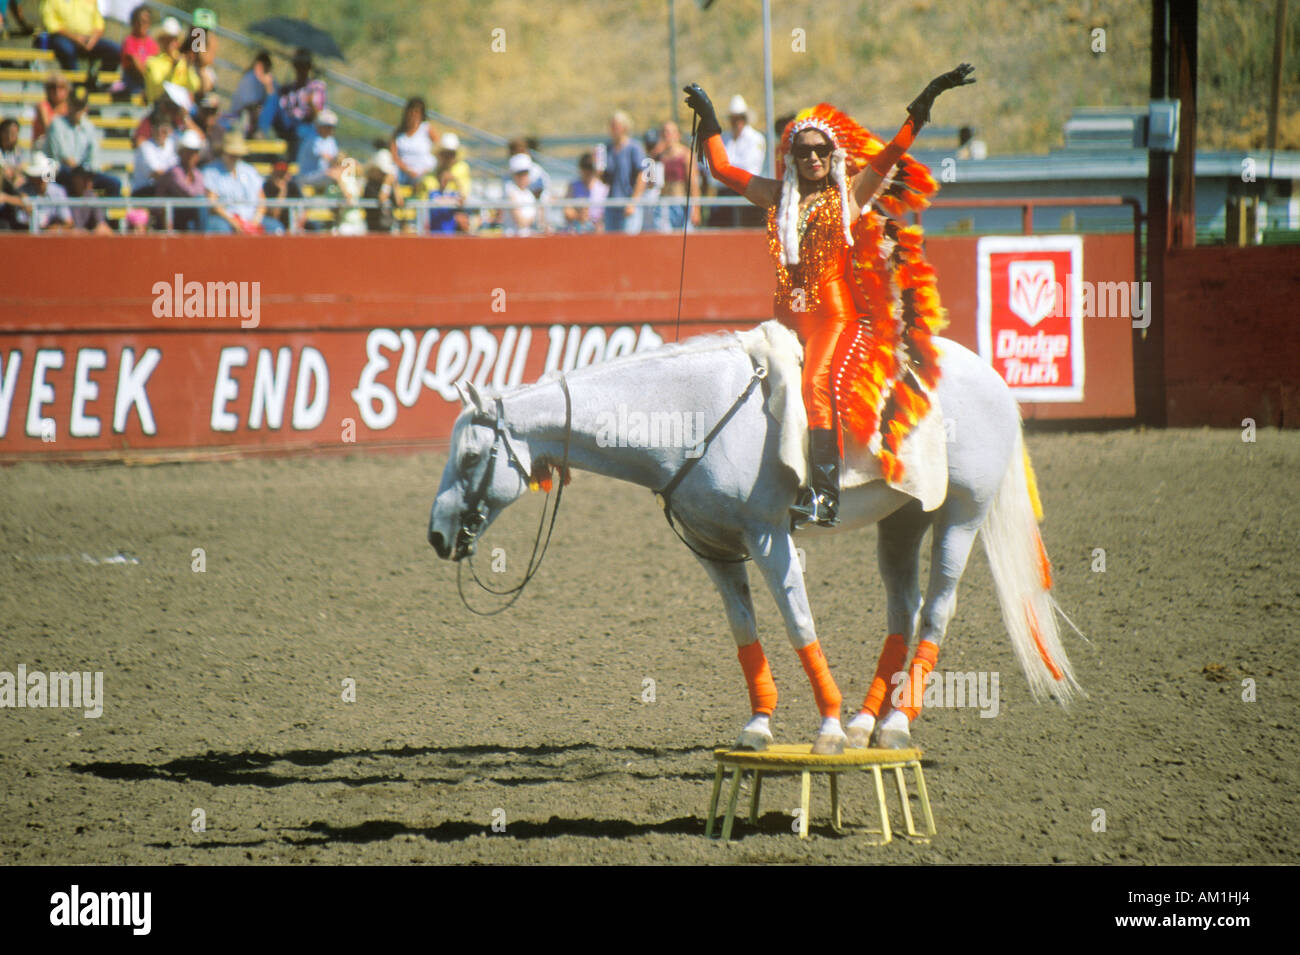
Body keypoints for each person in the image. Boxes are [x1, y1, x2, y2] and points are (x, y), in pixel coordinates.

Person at [684, 63, 975, 527]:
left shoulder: (850, 196)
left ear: (832, 155)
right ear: (792, 157)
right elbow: (721, 168)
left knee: (816, 386)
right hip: (783, 319)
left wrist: (923, 104)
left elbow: (894, 151)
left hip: (833, 318)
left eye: (820, 150)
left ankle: (824, 493)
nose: (813, 158)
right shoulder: (777, 196)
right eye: (804, 151)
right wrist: (710, 119)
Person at [202, 131, 283, 234]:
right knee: (221, 229)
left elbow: (261, 200)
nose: (235, 157)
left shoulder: (250, 171)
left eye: (237, 155)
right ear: (224, 152)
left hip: (251, 217)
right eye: (232, 154)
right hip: (225, 218)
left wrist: (255, 221)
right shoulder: (211, 171)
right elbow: (213, 203)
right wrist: (233, 221)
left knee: (276, 228)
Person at [47, 88, 121, 196]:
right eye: (74, 106)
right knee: (65, 178)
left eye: (79, 107)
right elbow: (63, 156)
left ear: (86, 108)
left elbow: (94, 155)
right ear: (68, 105)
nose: (76, 111)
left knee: (114, 183)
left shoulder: (89, 126)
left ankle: (102, 212)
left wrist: (89, 174)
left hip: (83, 173)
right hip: (60, 171)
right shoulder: (57, 124)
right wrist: (81, 175)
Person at [707, 94, 765, 228]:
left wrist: (724, 168)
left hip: (746, 192)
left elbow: (749, 167)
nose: (737, 122)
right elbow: (713, 166)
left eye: (740, 118)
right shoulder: (724, 138)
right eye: (734, 119)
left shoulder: (755, 139)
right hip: (724, 193)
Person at [41, 0, 120, 73]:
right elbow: (52, 25)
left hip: (89, 39)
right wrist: (76, 38)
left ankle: (100, 82)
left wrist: (92, 40)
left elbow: (99, 23)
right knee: (67, 50)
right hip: (63, 37)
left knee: (116, 50)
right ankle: (76, 84)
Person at [273, 48, 327, 156]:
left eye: (304, 66)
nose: (301, 69)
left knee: (303, 131)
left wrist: (311, 103)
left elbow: (318, 115)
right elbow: (282, 107)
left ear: (309, 67)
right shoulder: (288, 88)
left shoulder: (316, 87)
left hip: (305, 125)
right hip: (287, 124)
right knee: (272, 101)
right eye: (298, 65)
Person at [153, 127, 205, 230]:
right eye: (188, 152)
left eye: (194, 152)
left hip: (188, 217)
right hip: (172, 218)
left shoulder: (197, 174)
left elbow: (198, 194)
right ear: (181, 153)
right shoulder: (174, 173)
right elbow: (189, 193)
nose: (191, 156)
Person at [602, 110, 644, 234]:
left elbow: (642, 175)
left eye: (615, 125)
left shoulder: (634, 148)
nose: (612, 129)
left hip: (628, 202)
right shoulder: (608, 148)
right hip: (612, 203)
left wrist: (633, 202)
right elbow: (605, 179)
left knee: (628, 243)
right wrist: (598, 170)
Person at [143, 17, 199, 104]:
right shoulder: (152, 61)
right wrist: (173, 68)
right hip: (159, 106)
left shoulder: (183, 61)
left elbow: (194, 86)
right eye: (168, 39)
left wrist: (188, 67)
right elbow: (157, 85)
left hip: (179, 107)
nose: (171, 42)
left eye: (174, 39)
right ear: (162, 40)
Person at [658, 120, 699, 231]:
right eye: (665, 132)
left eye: (671, 132)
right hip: (665, 203)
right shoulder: (660, 155)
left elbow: (693, 183)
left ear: (678, 135)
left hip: (682, 202)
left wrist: (696, 209)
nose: (668, 135)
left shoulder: (686, 154)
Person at [224, 50, 275, 138]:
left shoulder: (264, 81)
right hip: (239, 116)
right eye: (266, 70)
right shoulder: (250, 78)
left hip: (252, 119)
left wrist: (269, 88)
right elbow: (249, 107)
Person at [391, 97, 436, 186]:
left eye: (417, 112)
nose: (413, 115)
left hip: (424, 173)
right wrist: (408, 170)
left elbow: (439, 148)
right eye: (411, 112)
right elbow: (394, 157)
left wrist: (424, 171)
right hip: (404, 173)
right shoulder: (398, 133)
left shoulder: (426, 128)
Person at [129, 113, 175, 193]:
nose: (160, 134)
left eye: (164, 131)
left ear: (170, 131)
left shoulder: (171, 144)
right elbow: (156, 174)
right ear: (152, 130)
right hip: (143, 191)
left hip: (162, 189)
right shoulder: (145, 147)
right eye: (157, 130)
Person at [118, 5, 158, 96]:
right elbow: (138, 67)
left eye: (145, 22)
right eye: (138, 21)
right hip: (134, 83)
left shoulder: (152, 43)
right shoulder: (129, 41)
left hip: (148, 82)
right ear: (133, 22)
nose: (141, 24)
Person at [563, 152, 607, 233]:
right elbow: (567, 211)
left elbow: (607, 215)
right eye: (585, 167)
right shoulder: (573, 186)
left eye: (590, 167)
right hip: (576, 230)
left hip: (597, 232)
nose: (588, 171)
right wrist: (578, 216)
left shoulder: (603, 188)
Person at [295, 108, 339, 188]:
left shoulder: (331, 140)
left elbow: (335, 159)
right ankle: (350, 200)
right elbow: (328, 158)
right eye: (327, 126)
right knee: (336, 174)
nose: (330, 129)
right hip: (307, 176)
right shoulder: (312, 139)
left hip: (321, 175)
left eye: (332, 127)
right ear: (319, 126)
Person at [362, 149, 402, 233]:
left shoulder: (390, 184)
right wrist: (386, 184)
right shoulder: (370, 185)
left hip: (390, 227)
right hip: (374, 227)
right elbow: (382, 198)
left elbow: (400, 202)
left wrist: (395, 185)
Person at [65, 165, 112, 233]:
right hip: (66, 237)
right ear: (74, 179)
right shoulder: (64, 195)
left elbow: (101, 224)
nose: (89, 182)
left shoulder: (91, 196)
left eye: (90, 178)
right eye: (84, 178)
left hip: (83, 236)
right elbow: (65, 225)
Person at [503, 151, 538, 236]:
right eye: (520, 174)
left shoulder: (529, 194)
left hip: (527, 236)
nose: (523, 177)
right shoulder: (511, 191)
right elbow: (520, 221)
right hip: (513, 237)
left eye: (526, 173)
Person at [261, 159, 301, 232]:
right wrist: (282, 192)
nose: (280, 177)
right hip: (276, 223)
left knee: (314, 226)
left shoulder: (292, 186)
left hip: (292, 223)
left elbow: (303, 209)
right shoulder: (267, 187)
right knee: (277, 227)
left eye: (282, 173)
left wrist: (296, 225)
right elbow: (274, 215)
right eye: (278, 173)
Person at [32, 74, 70, 149]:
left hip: (63, 147)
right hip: (43, 147)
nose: (56, 91)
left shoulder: (69, 108)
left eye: (61, 87)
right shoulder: (43, 106)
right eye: (53, 87)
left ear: (67, 90)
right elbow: (49, 129)